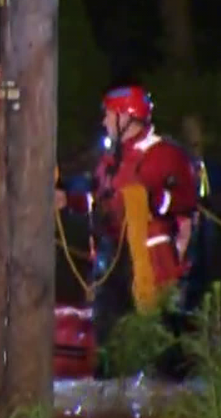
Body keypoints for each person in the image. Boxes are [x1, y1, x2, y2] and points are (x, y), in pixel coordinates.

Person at [86, 85, 202, 343]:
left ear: (125, 117)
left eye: (108, 115)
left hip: (151, 260)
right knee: (108, 333)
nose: (104, 122)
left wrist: (152, 200)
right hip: (112, 259)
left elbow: (187, 204)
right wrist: (68, 201)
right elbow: (99, 198)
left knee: (155, 332)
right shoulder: (110, 158)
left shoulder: (165, 155)